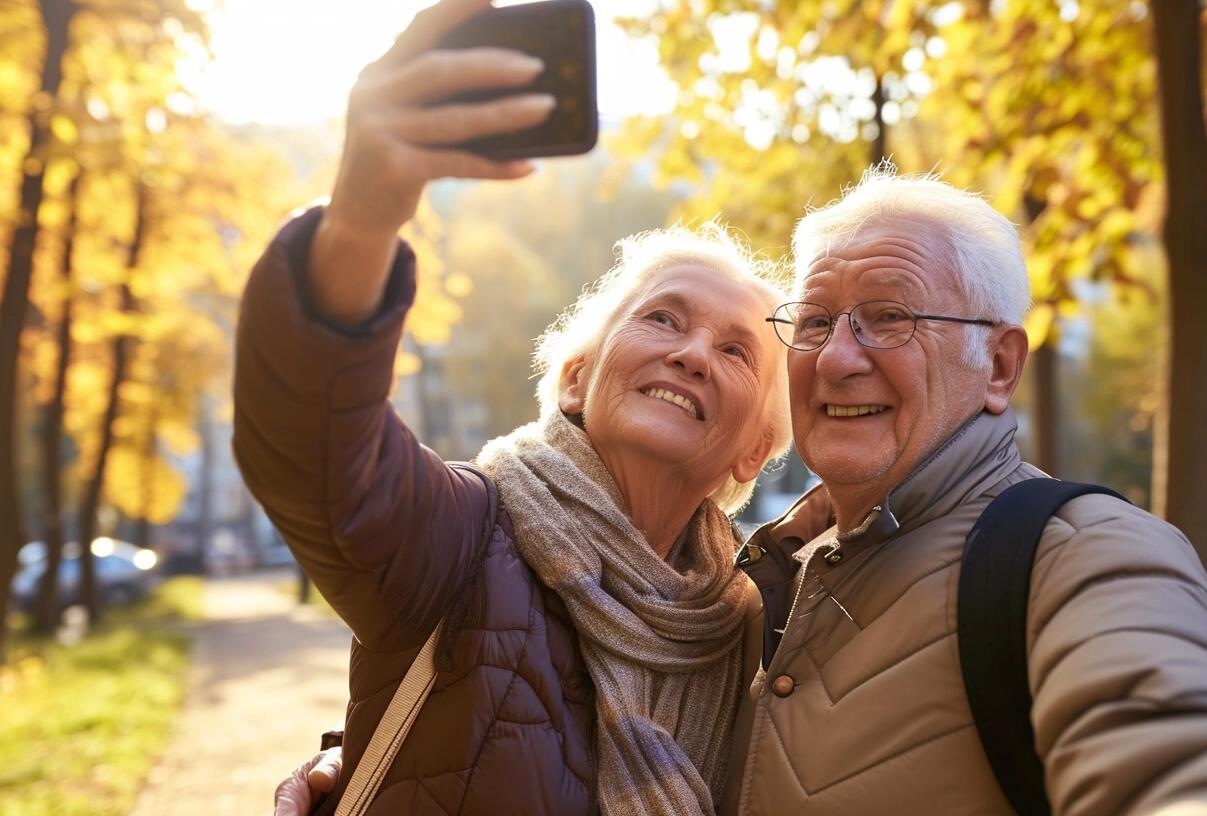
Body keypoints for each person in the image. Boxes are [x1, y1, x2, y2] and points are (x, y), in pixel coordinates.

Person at [236, 1, 792, 813]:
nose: (694, 352)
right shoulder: (464, 542)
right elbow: (311, 448)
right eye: (663, 318)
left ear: (752, 454)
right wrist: (363, 215)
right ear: (576, 380)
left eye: (737, 349)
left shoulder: (757, 637)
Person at [717, 168, 1207, 815]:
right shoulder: (755, 582)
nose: (835, 359)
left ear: (999, 366)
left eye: (889, 318)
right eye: (817, 322)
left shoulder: (1084, 555)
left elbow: (1192, 759)